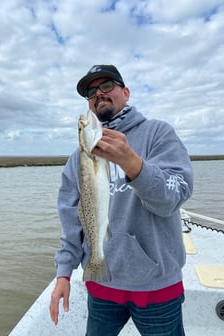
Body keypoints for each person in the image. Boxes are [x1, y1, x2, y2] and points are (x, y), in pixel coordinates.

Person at [50, 65, 193, 336]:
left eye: (107, 86)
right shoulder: (78, 159)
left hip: (157, 286)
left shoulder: (158, 134)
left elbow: (174, 197)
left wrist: (131, 162)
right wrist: (64, 272)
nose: (98, 94)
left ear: (125, 92)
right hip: (101, 283)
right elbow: (71, 219)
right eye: (91, 92)